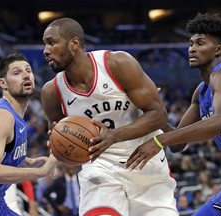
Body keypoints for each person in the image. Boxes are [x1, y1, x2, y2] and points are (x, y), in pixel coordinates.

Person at [41, 17, 179, 216]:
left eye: (51, 42)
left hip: (145, 165)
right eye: (44, 44)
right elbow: (65, 147)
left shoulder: (117, 63)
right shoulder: (51, 92)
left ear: (74, 43)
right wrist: (59, 149)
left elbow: (159, 115)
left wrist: (113, 136)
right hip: (100, 170)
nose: (46, 50)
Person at [126, 13, 221, 215]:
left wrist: (160, 141)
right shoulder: (201, 92)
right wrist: (151, 108)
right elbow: (178, 144)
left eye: (200, 43)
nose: (192, 48)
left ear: (218, 50)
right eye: (191, 43)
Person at [0, 53, 58, 215]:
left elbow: (2, 154)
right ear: (3, 83)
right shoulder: (2, 116)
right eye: (17, 73)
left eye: (28, 70)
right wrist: (39, 172)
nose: (25, 75)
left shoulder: (17, 116)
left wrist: (28, 162)